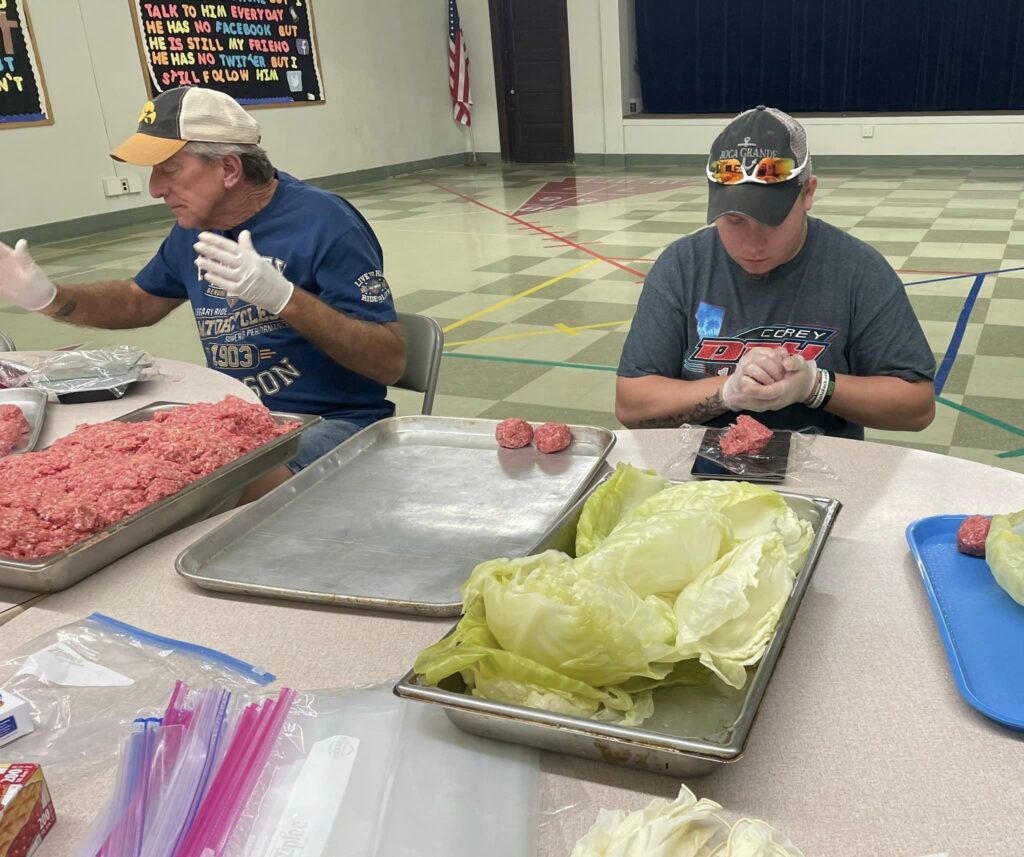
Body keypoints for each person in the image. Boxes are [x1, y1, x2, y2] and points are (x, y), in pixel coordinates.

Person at [0, 86, 405, 489]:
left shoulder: (325, 223)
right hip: (237, 417)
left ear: (229, 168)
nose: (155, 188)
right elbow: (139, 301)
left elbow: (388, 361)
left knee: (219, 492)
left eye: (169, 170)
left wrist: (285, 299)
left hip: (335, 421)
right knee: (117, 471)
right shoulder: (195, 230)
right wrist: (50, 298)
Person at [616, 105, 936, 438]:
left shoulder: (857, 270)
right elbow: (630, 404)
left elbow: (917, 406)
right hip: (701, 474)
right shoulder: (682, 266)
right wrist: (727, 391)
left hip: (823, 473)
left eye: (773, 220)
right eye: (734, 220)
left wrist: (815, 386)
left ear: (808, 193)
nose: (752, 245)